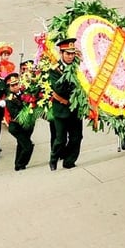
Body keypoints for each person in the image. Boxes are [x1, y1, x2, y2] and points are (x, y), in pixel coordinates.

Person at [48, 38, 84, 171]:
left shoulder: (78, 65)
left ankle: (69, 161)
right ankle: (53, 158)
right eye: (67, 54)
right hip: (61, 109)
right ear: (61, 53)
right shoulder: (55, 69)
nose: (70, 56)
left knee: (77, 137)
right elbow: (59, 89)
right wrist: (75, 87)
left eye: (72, 53)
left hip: (76, 110)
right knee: (60, 139)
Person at [4, 72, 35, 171]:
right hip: (17, 126)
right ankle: (20, 165)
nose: (16, 86)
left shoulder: (24, 92)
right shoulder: (9, 99)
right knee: (28, 146)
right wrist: (28, 107)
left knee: (21, 145)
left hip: (27, 126)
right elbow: (16, 114)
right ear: (9, 87)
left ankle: (18, 163)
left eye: (17, 84)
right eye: (13, 85)